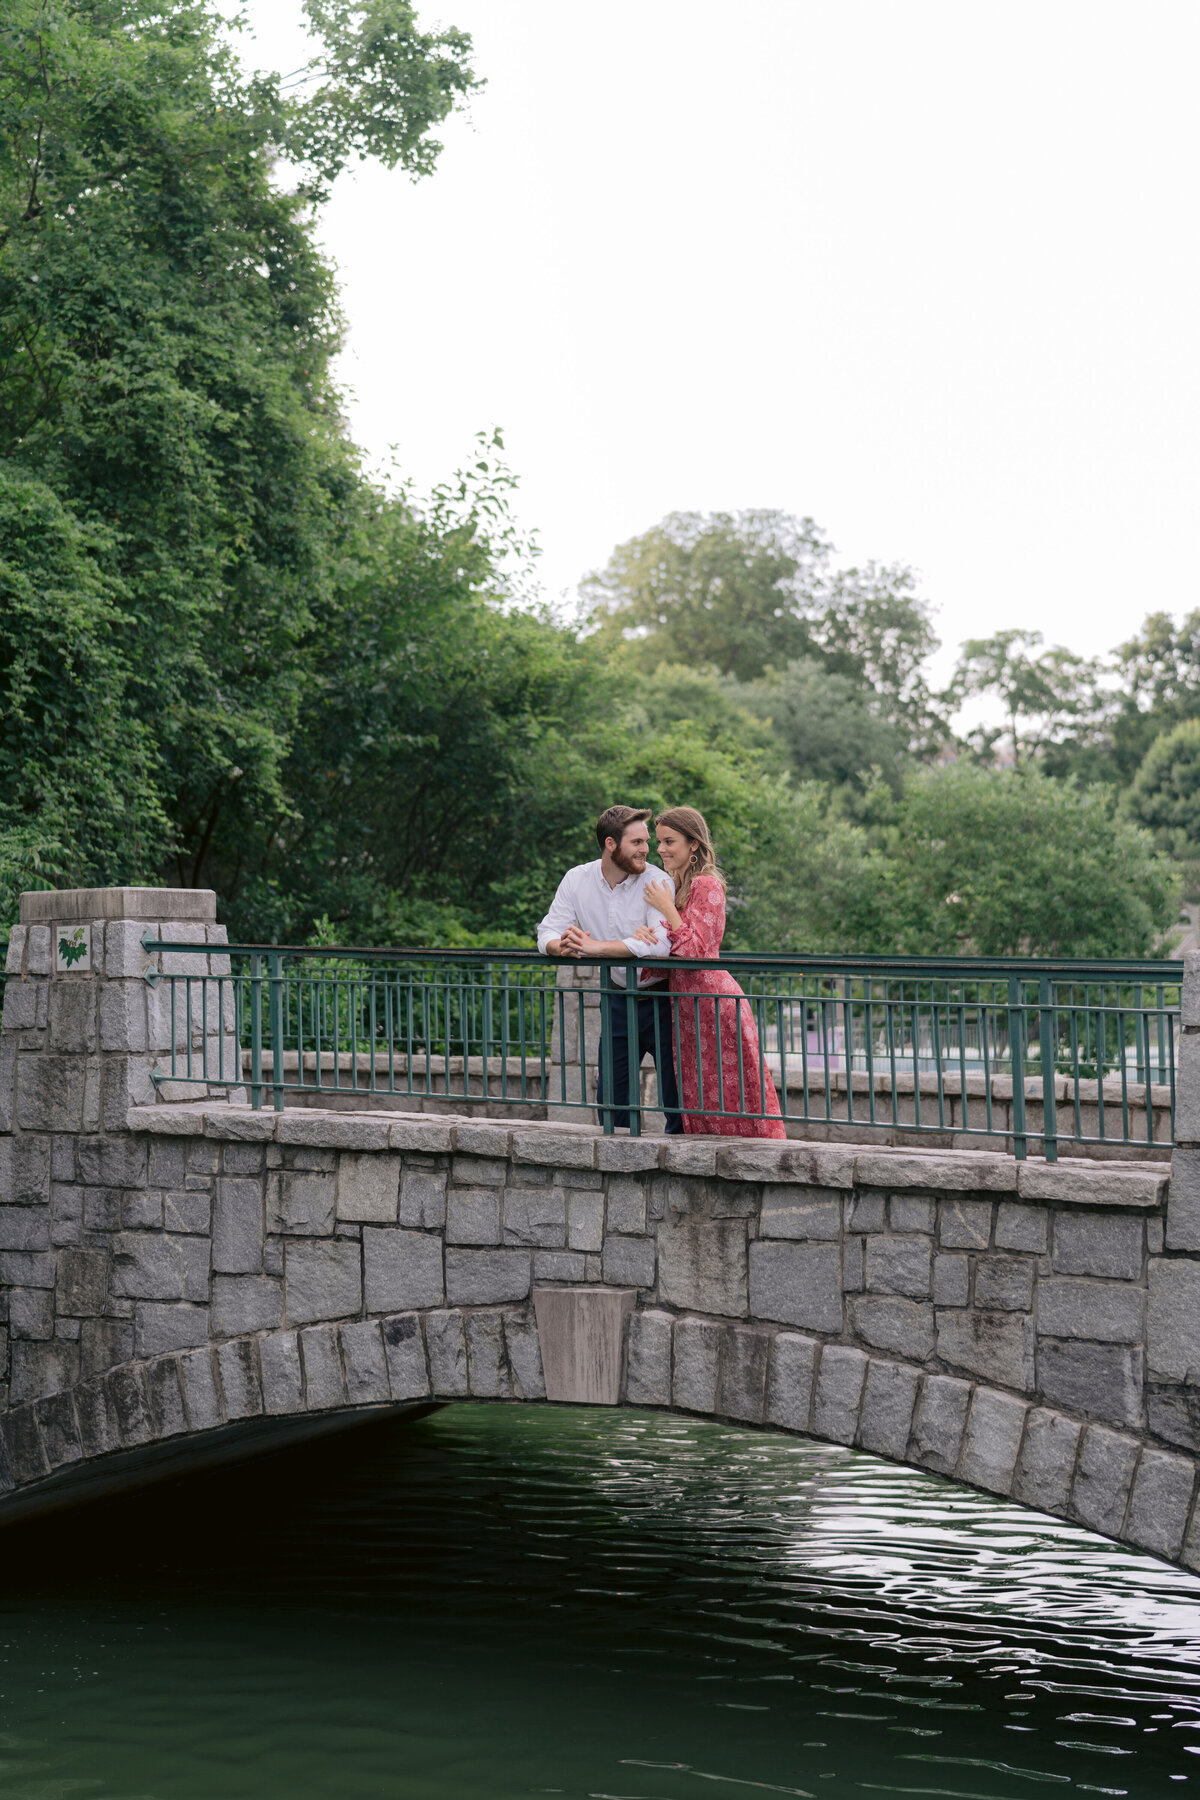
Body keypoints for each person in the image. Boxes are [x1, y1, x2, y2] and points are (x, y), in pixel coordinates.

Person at [537, 805, 683, 1133]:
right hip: (618, 1001)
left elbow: (660, 945)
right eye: (637, 842)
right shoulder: (577, 880)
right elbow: (547, 930)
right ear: (611, 844)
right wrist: (562, 946)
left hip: (666, 1002)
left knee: (677, 1103)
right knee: (612, 1103)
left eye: (647, 841)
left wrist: (596, 948)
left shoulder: (657, 881)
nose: (647, 849)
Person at [642, 806, 786, 1139]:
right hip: (689, 1009)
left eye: (669, 841)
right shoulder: (678, 887)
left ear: (694, 844)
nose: (660, 849)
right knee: (702, 1095)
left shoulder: (706, 885)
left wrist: (665, 909)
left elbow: (694, 951)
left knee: (732, 1095)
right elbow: (670, 949)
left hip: (714, 1005)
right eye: (659, 841)